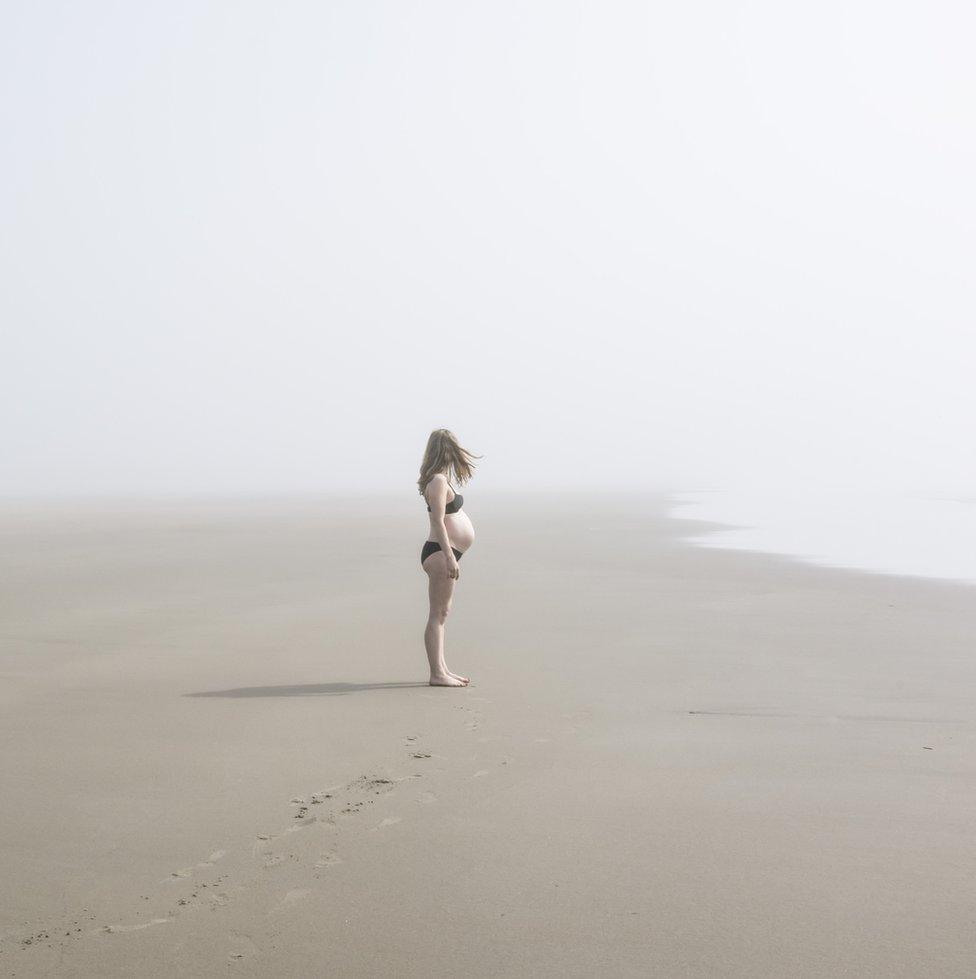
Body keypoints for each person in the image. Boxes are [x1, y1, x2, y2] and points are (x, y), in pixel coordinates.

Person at [418, 429, 481, 687]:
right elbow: (439, 522)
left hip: (445, 553)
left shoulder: (440, 480)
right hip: (440, 553)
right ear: (446, 451)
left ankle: (442, 668)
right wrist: (449, 556)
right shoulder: (438, 481)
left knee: (442, 613)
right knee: (437, 614)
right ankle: (437, 673)